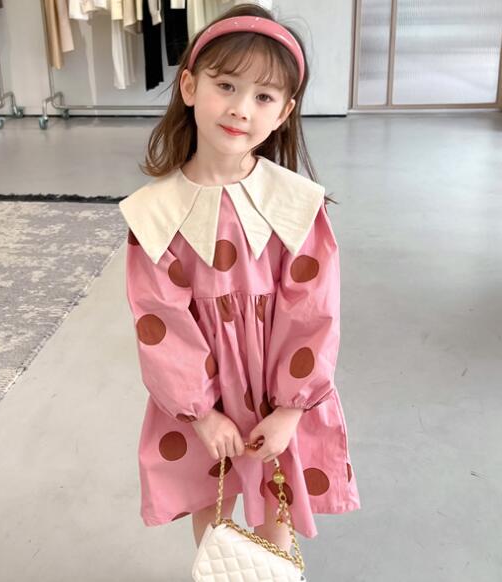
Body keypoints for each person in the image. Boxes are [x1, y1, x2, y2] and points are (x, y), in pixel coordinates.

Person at [118, 1, 361, 569]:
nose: (240, 108)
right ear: (189, 86)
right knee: (214, 513)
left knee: (276, 511)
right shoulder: (156, 213)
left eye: (264, 96)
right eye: (226, 85)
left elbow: (313, 311)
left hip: (277, 389)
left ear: (284, 112)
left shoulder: (296, 205)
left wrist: (291, 409)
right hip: (201, 398)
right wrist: (201, 412)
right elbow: (159, 322)